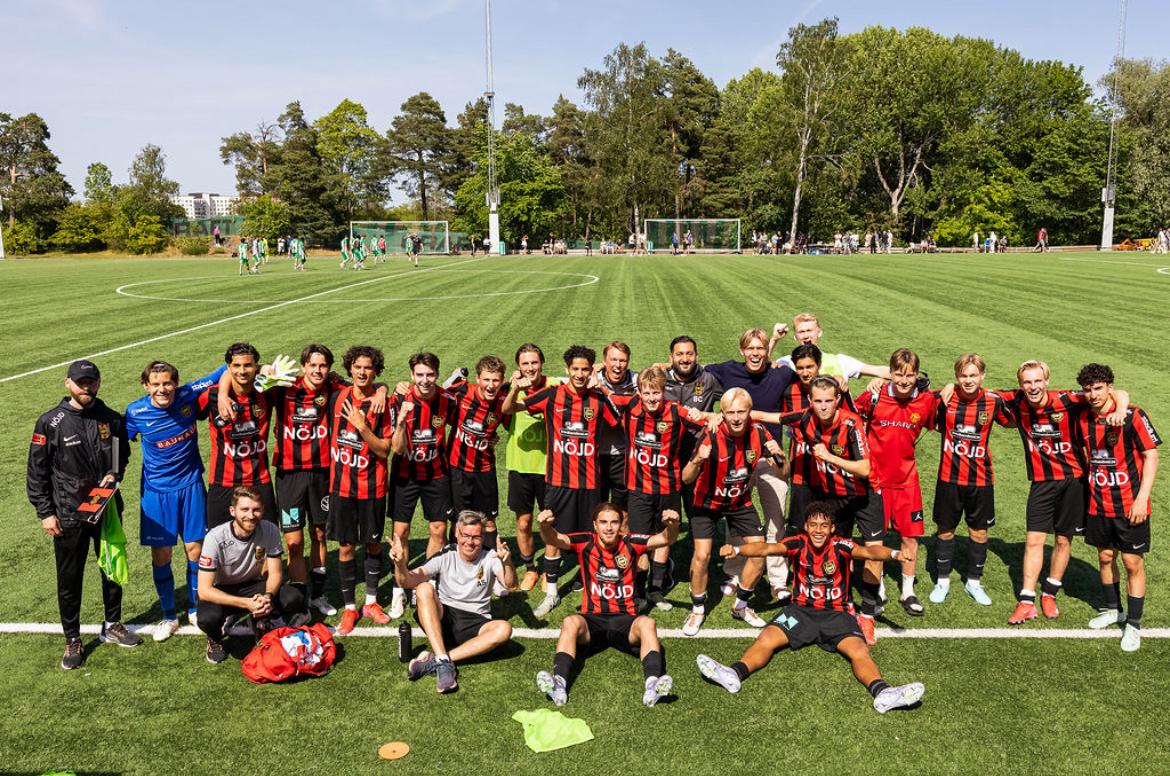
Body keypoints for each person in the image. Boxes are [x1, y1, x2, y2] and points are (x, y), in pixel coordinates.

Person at [695, 502, 924, 714]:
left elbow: (870, 552)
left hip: (837, 614)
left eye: (824, 526)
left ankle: (883, 693)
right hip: (800, 612)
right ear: (805, 526)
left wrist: (894, 554)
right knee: (766, 639)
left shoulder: (841, 545)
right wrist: (737, 551)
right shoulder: (797, 543)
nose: (818, 530)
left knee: (859, 651)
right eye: (813, 525)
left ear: (832, 528)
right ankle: (734, 674)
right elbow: (765, 549)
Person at [28, 359, 140, 669]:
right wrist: (45, 513)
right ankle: (72, 638)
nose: (86, 387)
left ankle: (113, 625)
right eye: (80, 382)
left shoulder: (110, 418)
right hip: (67, 514)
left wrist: (114, 475)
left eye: (91, 381)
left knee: (112, 568)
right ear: (68, 384)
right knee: (70, 577)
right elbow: (36, 472)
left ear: (99, 382)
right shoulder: (51, 422)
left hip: (105, 510)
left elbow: (122, 456)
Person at [997, 361, 1127, 624]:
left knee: (1063, 540)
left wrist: (1122, 409)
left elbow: (1118, 393)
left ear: (1046, 381)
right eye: (1027, 382)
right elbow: (974, 390)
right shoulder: (1015, 400)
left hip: (1073, 481)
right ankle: (1026, 600)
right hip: (1041, 482)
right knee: (1034, 540)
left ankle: (1050, 593)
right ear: (1020, 384)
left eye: (1037, 381)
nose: (1032, 387)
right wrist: (950, 386)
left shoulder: (1068, 399)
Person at [267, 344, 387, 617]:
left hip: (322, 474)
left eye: (323, 366)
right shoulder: (284, 387)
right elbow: (254, 380)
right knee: (293, 542)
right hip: (290, 475)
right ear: (303, 366)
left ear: (330, 369)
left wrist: (382, 390)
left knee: (319, 534)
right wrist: (266, 370)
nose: (318, 370)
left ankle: (318, 596)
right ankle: (298, 597)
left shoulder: (333, 389)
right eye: (312, 365)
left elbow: (370, 382)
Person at [502, 345, 621, 617]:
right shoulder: (552, 395)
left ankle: (593, 590)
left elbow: (618, 422)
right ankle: (552, 593)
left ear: (592, 371)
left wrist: (603, 390)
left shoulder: (597, 400)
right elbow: (509, 409)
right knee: (553, 537)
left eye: (585, 369)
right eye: (575, 369)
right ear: (567, 370)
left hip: (590, 483)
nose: (579, 374)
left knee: (594, 538)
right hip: (559, 482)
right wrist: (515, 389)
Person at [534, 503, 680, 707]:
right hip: (593, 620)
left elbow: (665, 539)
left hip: (625, 621)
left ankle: (653, 685)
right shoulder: (585, 542)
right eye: (603, 522)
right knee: (570, 622)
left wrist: (672, 525)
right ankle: (559, 683)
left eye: (614, 522)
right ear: (595, 525)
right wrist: (544, 527)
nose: (609, 527)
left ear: (621, 525)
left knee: (647, 623)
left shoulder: (631, 543)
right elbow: (554, 539)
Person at [125, 358, 227, 640]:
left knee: (195, 550)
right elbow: (115, 444)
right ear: (146, 386)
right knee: (162, 554)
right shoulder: (135, 412)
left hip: (191, 485)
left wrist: (263, 370)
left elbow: (222, 370)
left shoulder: (187, 395)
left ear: (176, 383)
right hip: (157, 493)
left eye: (167, 383)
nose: (162, 389)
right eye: (155, 384)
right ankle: (169, 616)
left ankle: (195, 608)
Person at [681, 387, 786, 635]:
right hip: (706, 502)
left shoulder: (759, 432)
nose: (737, 417)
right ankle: (697, 610)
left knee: (759, 551)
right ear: (723, 414)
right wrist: (697, 461)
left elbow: (785, 473)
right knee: (703, 556)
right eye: (731, 412)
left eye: (742, 411)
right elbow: (686, 478)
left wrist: (780, 456)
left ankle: (741, 605)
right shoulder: (711, 434)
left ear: (750, 412)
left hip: (739, 501)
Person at [853, 349, 938, 642]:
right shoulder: (874, 396)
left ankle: (908, 591)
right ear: (889, 372)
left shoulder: (925, 400)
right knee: (874, 540)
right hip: (875, 480)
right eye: (898, 374)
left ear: (917, 375)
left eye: (910, 375)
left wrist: (947, 387)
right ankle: (877, 590)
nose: (904, 380)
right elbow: (851, 418)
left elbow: (942, 405)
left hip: (907, 481)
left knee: (909, 537)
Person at [704, 329, 796, 598]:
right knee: (735, 518)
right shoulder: (728, 370)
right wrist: (661, 365)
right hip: (737, 457)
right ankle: (734, 571)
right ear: (742, 350)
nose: (755, 353)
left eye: (760, 348)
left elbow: (810, 373)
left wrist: (838, 377)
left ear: (768, 350)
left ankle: (778, 578)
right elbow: (694, 368)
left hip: (769, 455)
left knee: (776, 519)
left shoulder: (781, 372)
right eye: (750, 348)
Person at [1077, 363, 1160, 652]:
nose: (1093, 394)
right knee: (1105, 557)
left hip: (1130, 505)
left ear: (1110, 387)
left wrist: (1142, 498)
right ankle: (1113, 609)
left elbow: (1151, 456)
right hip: (1099, 505)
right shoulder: (1083, 417)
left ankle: (1134, 625)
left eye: (1098, 388)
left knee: (1132, 562)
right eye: (1088, 390)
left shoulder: (1133, 415)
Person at [606, 365, 705, 609]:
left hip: (668, 489)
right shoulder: (630, 406)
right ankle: (638, 593)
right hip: (638, 491)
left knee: (663, 540)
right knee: (639, 542)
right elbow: (603, 390)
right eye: (647, 393)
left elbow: (703, 418)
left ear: (664, 392)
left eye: (656, 393)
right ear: (639, 392)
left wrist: (712, 417)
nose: (652, 398)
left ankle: (656, 590)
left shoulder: (675, 412)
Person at [390, 510, 515, 693]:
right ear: (456, 533)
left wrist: (507, 562)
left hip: (476, 622)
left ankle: (439, 660)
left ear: (483, 536)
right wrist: (400, 564)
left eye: (476, 537)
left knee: (504, 629)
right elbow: (407, 581)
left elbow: (510, 584)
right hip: (444, 618)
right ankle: (443, 661)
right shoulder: (446, 554)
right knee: (423, 588)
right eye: (465, 535)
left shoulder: (490, 557)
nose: (469, 542)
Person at [926, 354, 1012, 608]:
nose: (968, 380)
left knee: (979, 531)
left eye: (973, 375)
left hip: (981, 480)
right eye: (963, 375)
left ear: (982, 376)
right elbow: (916, 398)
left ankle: (973, 582)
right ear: (957, 377)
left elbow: (1015, 417)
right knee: (945, 530)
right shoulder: (946, 396)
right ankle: (942, 581)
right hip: (949, 478)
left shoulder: (993, 401)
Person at [196, 486, 305, 664]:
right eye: (244, 510)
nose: (251, 515)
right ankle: (215, 638)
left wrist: (267, 597)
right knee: (207, 618)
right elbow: (204, 590)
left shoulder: (270, 530)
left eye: (256, 510)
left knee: (293, 596)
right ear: (233, 511)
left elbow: (276, 573)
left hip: (253, 586)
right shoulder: (215, 538)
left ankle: (262, 619)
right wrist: (246, 603)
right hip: (222, 590)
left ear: (263, 510)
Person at [330, 346, 395, 635]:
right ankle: (349, 608)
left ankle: (370, 602)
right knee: (345, 546)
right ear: (350, 368)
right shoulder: (337, 395)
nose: (362, 372)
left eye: (368, 368)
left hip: (372, 487)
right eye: (357, 366)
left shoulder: (384, 404)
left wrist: (363, 427)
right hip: (342, 487)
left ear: (375, 371)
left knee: (372, 544)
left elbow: (385, 449)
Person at [388, 352, 458, 616]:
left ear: (437, 375)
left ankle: (423, 584)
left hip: (436, 474)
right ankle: (399, 586)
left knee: (438, 529)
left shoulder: (446, 401)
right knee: (401, 532)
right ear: (411, 376)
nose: (425, 380)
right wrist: (403, 421)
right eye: (419, 375)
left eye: (430, 374)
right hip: (405, 476)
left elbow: (463, 425)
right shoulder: (399, 400)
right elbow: (397, 449)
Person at [199, 343, 277, 529]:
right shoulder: (211, 395)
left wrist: (267, 368)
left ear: (256, 367)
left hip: (259, 480)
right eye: (236, 366)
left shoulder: (267, 392)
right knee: (218, 543)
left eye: (248, 365)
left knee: (266, 542)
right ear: (228, 368)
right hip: (223, 483)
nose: (242, 371)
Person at [446, 356, 509, 578]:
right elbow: (435, 391)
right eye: (486, 379)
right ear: (477, 378)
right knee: (457, 520)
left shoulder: (503, 399)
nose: (491, 385)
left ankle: (494, 570)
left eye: (496, 380)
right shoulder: (462, 392)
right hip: (458, 468)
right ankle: (455, 568)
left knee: (489, 520)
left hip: (484, 469)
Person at [503, 344, 552, 592]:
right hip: (520, 466)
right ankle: (530, 568)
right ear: (518, 367)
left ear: (542, 363)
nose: (530, 368)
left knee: (549, 522)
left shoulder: (554, 384)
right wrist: (514, 387)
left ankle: (549, 570)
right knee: (523, 523)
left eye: (534, 362)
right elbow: (505, 409)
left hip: (550, 467)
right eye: (525, 364)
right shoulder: (513, 389)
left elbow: (582, 375)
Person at [662, 335, 724, 521]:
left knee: (696, 504)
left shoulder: (708, 379)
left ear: (697, 355)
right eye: (679, 354)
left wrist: (717, 416)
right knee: (667, 510)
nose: (685, 359)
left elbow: (734, 400)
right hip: (666, 453)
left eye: (689, 354)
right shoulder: (660, 379)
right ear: (671, 357)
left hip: (698, 451)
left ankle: (700, 542)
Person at [770, 313, 890, 381]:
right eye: (801, 332)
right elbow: (759, 367)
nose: (806, 336)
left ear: (819, 332)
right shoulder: (786, 362)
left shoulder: (839, 361)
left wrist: (904, 374)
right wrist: (774, 339)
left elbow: (878, 370)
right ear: (795, 337)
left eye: (809, 330)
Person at [595, 341, 637, 516]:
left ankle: (623, 543)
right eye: (613, 360)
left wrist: (604, 392)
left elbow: (661, 372)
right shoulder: (591, 378)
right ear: (604, 360)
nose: (618, 365)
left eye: (622, 360)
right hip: (595, 454)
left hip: (623, 455)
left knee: (623, 510)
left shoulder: (637, 381)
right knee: (597, 507)